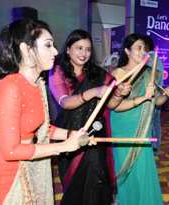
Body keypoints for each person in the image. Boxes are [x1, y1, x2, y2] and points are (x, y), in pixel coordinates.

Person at [0, 19, 84, 204]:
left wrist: (71, 134)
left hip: (28, 166)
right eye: (48, 45)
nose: (56, 52)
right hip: (6, 174)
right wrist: (64, 146)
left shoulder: (37, 85)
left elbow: (41, 128)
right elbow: (9, 151)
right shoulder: (10, 87)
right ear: (26, 49)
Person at [49, 29, 131, 205]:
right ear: (68, 49)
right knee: (74, 181)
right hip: (69, 133)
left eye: (88, 49)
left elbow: (111, 105)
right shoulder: (58, 71)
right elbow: (65, 102)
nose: (84, 53)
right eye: (79, 48)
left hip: (95, 133)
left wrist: (119, 94)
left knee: (97, 178)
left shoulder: (98, 74)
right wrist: (94, 92)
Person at [110, 33, 169, 205]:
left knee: (143, 170)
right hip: (123, 126)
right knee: (125, 169)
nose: (143, 52)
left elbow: (156, 102)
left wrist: (166, 95)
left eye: (145, 49)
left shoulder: (149, 73)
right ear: (127, 51)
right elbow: (113, 105)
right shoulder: (118, 73)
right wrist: (142, 98)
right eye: (138, 48)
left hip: (143, 126)